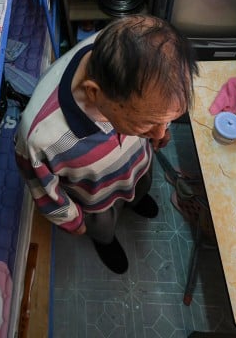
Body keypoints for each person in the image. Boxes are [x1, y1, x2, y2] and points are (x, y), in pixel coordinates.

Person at [14, 15, 198, 274]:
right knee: (103, 226)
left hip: (137, 165)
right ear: (94, 93)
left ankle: (137, 199)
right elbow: (48, 195)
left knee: (141, 184)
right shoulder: (39, 139)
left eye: (167, 121)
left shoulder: (127, 50)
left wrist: (158, 128)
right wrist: (75, 222)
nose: (160, 133)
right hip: (95, 198)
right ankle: (106, 241)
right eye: (147, 124)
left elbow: (158, 119)